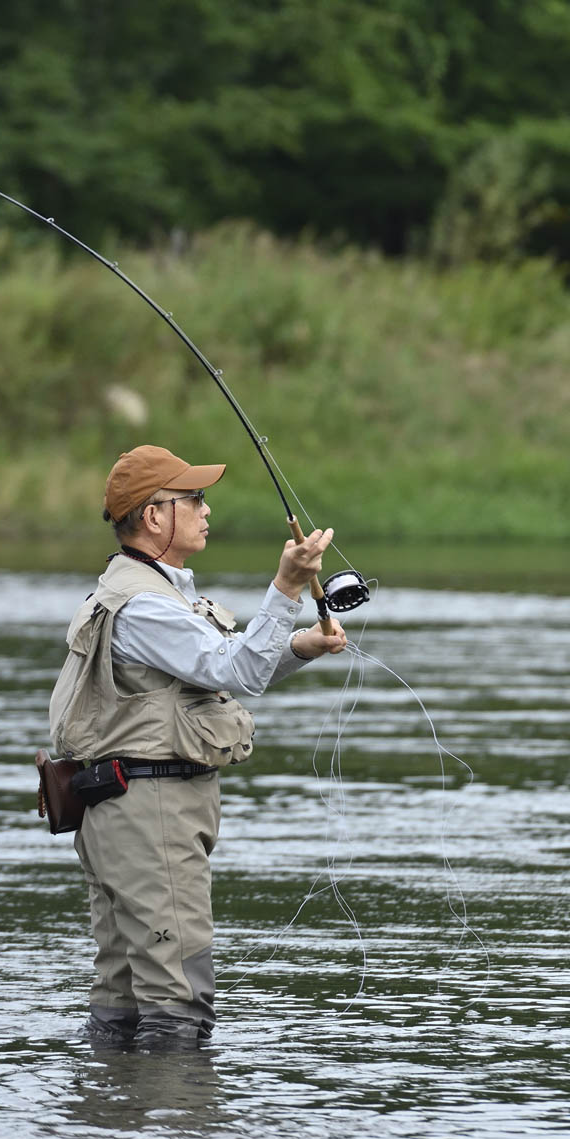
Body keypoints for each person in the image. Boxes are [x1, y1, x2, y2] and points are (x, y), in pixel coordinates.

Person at [49, 444, 346, 1047]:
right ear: (154, 516)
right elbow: (233, 671)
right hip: (149, 812)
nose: (207, 511)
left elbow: (221, 670)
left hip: (123, 808)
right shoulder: (147, 606)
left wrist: (296, 649)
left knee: (123, 995)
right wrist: (286, 587)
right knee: (177, 998)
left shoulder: (147, 590)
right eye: (194, 500)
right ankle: (178, 1132)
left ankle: (115, 1126)